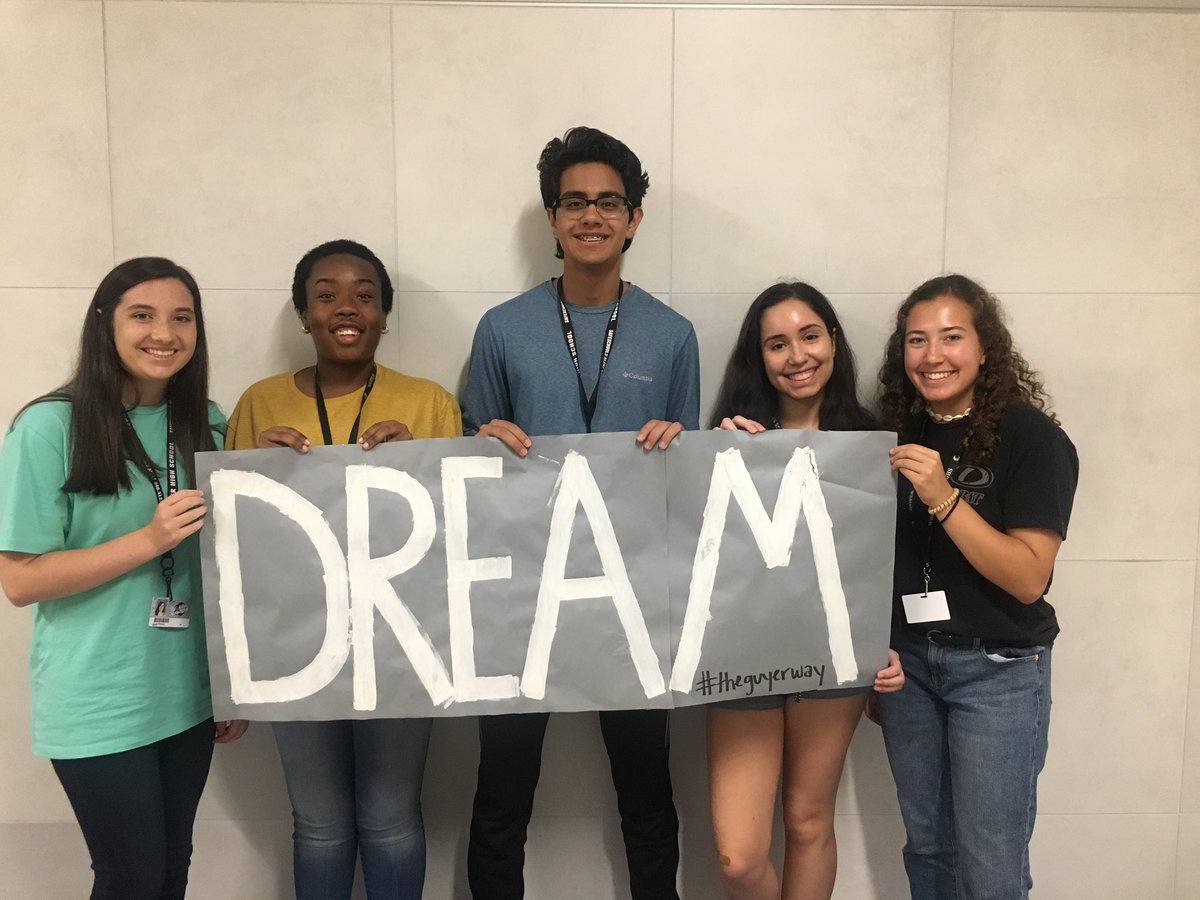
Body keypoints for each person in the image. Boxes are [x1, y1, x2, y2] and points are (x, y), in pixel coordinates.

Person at [462, 126, 699, 900]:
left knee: (647, 798)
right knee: (501, 798)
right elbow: (472, 473)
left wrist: (677, 444)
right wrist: (482, 438)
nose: (591, 215)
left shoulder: (673, 335)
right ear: (552, 217)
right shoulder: (502, 329)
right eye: (574, 202)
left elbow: (689, 485)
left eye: (608, 202)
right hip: (521, 598)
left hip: (632, 601)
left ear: (634, 218)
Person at [0, 257, 246, 899]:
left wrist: (231, 683)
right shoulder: (48, 425)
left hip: (185, 695)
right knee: (130, 878)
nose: (164, 333)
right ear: (104, 323)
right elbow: (21, 580)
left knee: (169, 871)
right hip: (98, 700)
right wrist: (148, 540)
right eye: (143, 314)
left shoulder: (208, 421)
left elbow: (226, 565)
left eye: (182, 317)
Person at [225, 239, 461, 900]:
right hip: (294, 645)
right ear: (304, 314)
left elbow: (462, 535)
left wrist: (423, 464)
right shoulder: (258, 404)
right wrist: (252, 468)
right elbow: (231, 542)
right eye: (325, 294)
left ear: (386, 313)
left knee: (390, 823)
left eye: (365, 294)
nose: (346, 307)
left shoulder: (432, 404)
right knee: (321, 826)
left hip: (400, 646)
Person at [875, 274, 1078, 900]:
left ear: (986, 347)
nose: (933, 356)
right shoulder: (894, 433)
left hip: (997, 670)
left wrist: (943, 497)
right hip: (909, 670)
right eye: (917, 340)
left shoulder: (1032, 437)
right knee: (928, 849)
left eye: (951, 337)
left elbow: (1027, 577)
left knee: (989, 863)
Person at [705, 282, 905, 900]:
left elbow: (889, 561)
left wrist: (887, 643)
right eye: (777, 343)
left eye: (809, 336)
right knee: (739, 856)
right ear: (757, 358)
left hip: (836, 656)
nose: (797, 355)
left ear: (834, 342)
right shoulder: (729, 443)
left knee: (807, 818)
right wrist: (717, 452)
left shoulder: (875, 445)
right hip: (744, 655)